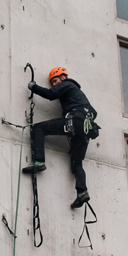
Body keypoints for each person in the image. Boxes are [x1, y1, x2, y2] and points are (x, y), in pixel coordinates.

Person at [23, 66, 99, 208]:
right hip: (85, 130)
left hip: (75, 121)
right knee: (77, 162)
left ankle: (39, 161)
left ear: (63, 77)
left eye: (56, 80)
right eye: (53, 82)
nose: (54, 84)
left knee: (38, 128)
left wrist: (34, 87)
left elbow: (50, 94)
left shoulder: (67, 84)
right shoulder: (79, 95)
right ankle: (82, 192)